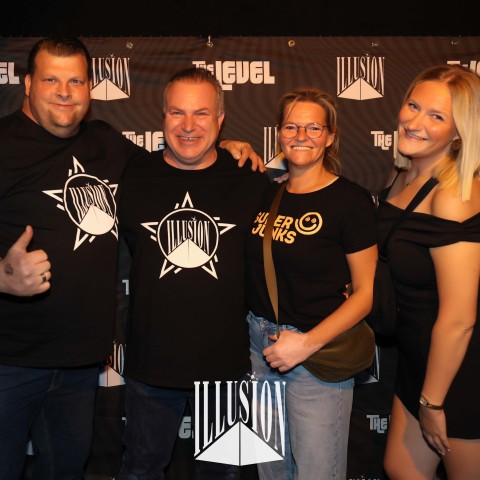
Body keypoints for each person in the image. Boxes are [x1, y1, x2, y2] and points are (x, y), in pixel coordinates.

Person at [0, 36, 263, 480]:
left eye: (75, 81)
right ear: (27, 83)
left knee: (68, 469)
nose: (65, 92)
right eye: (51, 80)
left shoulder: (108, 145)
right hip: (13, 360)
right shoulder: (5, 143)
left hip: (83, 363)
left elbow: (187, 149)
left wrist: (230, 145)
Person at [117, 67, 270, 480]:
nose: (188, 126)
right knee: (141, 471)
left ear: (220, 119)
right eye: (177, 112)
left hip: (226, 371)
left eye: (201, 113)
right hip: (150, 369)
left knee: (224, 476)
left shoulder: (251, 178)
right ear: (163, 116)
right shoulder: (131, 175)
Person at [244, 87, 378, 479]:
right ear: (278, 133)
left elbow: (365, 294)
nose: (301, 135)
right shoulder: (265, 193)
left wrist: (304, 344)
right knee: (270, 471)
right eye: (291, 126)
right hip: (260, 349)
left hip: (316, 357)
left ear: (330, 136)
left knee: (317, 472)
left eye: (314, 128)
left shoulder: (350, 200)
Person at [380, 65, 480, 479]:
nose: (415, 122)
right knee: (400, 468)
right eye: (413, 106)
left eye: (436, 116)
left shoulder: (453, 196)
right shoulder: (404, 174)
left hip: (459, 375)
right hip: (416, 359)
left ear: (459, 133)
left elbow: (459, 318)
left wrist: (433, 402)